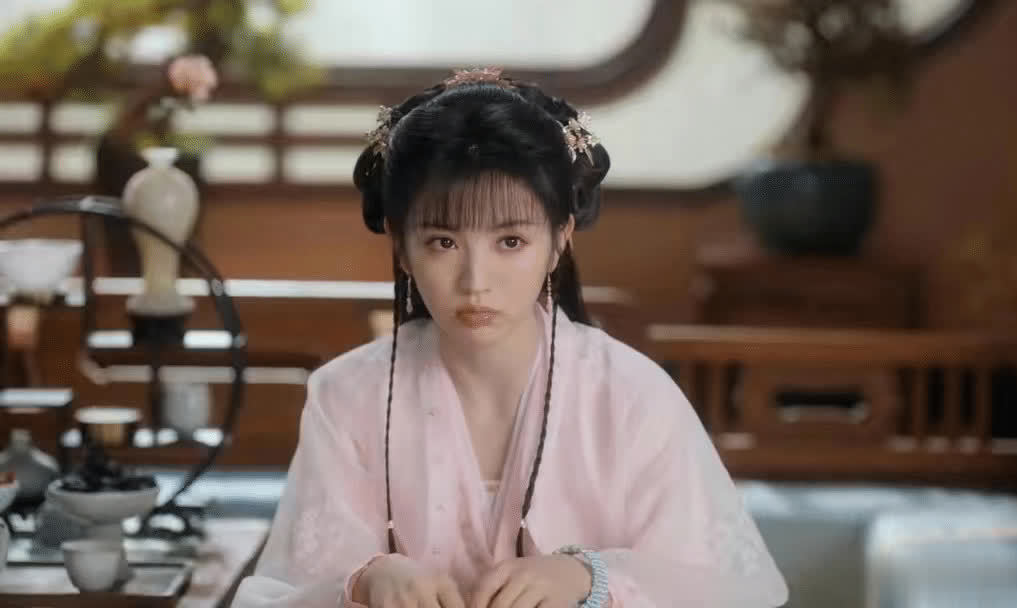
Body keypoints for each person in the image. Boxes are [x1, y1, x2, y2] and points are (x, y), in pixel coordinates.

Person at [231, 68, 788, 608]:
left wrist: (590, 577)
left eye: (511, 241)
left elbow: (724, 586)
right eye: (444, 242)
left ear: (560, 239)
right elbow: (290, 588)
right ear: (401, 246)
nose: (476, 281)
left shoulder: (633, 395)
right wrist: (365, 580)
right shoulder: (348, 395)